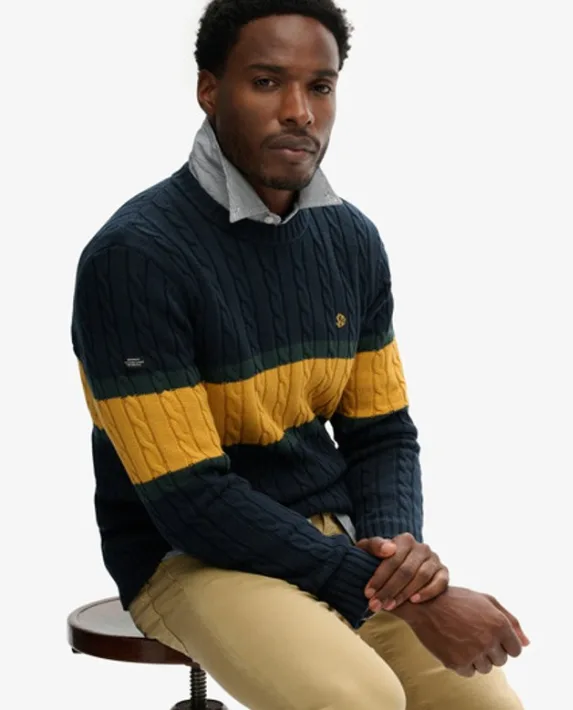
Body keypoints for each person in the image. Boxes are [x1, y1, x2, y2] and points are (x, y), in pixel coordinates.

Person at [70, 1, 528, 708]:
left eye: (320, 86)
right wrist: (395, 592)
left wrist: (397, 558)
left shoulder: (350, 240)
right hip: (187, 556)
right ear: (209, 90)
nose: (299, 111)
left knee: (483, 703)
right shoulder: (135, 259)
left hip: (339, 543)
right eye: (266, 82)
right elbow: (191, 499)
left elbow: (382, 434)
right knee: (356, 699)